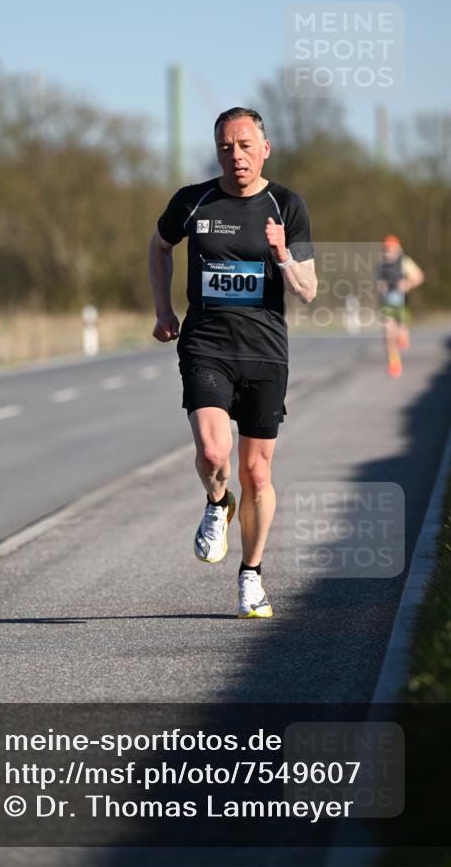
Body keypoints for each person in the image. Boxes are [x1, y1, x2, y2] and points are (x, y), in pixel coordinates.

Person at [148, 107, 317, 619]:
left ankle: (251, 575)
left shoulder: (286, 204)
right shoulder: (192, 201)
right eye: (226, 146)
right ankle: (217, 502)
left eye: (245, 145)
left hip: (265, 353)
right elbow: (159, 248)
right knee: (212, 451)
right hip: (206, 345)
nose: (235, 155)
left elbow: (307, 292)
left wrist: (283, 254)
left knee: (258, 475)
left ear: (264, 148)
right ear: (216, 149)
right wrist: (163, 309)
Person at [375, 235, 425, 378]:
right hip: (386, 304)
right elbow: (377, 283)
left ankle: (403, 335)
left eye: (390, 249)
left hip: (402, 303)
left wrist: (407, 283)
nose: (387, 253)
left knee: (400, 331)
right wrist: (380, 287)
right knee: (388, 332)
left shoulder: (405, 262)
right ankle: (394, 363)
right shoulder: (381, 265)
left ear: (397, 250)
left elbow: (419, 276)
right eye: (385, 249)